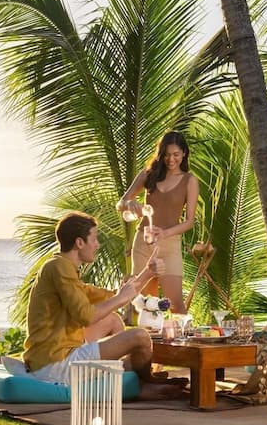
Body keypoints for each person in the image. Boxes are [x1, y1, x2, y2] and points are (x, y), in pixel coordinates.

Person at [22, 211, 185, 399]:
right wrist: (120, 298)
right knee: (140, 336)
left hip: (56, 357)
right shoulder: (59, 267)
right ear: (79, 242)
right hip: (55, 365)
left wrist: (148, 273)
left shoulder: (63, 268)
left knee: (112, 320)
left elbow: (119, 295)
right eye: (94, 239)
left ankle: (129, 376)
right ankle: (141, 385)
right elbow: (86, 316)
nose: (97, 244)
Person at [116, 131, 199, 315]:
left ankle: (181, 334)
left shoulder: (189, 181)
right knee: (147, 305)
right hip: (143, 242)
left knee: (176, 305)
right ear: (161, 154)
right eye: (167, 154)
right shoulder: (149, 174)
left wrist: (165, 233)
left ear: (184, 153)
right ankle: (149, 336)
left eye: (176, 154)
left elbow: (189, 222)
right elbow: (120, 203)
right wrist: (129, 204)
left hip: (170, 246)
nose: (171, 159)